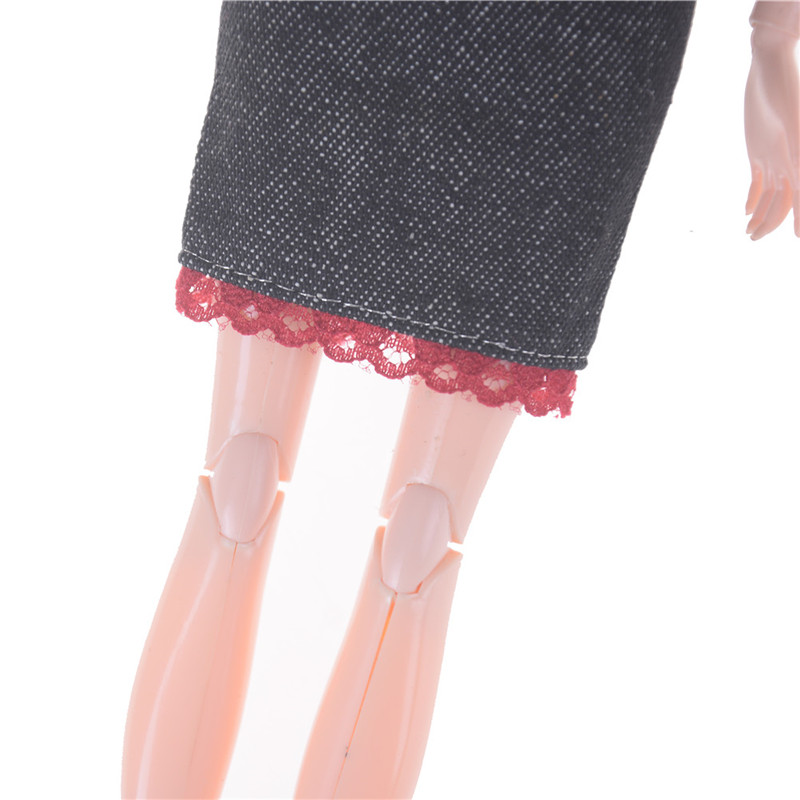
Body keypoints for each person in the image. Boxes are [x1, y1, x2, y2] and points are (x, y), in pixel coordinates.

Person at [122, 2, 798, 798]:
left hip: (558, 53)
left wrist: (775, 40)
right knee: (400, 535)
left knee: (275, 493)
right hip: (570, 48)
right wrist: (773, 42)